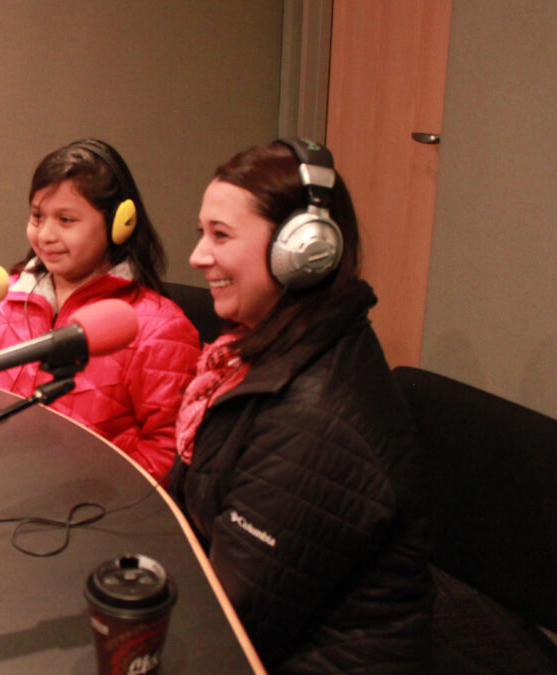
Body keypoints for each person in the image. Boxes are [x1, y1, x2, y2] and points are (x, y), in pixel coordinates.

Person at [165, 138, 432, 671]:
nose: (198, 256)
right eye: (202, 233)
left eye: (221, 235)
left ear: (305, 251)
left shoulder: (312, 416)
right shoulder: (253, 354)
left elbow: (230, 627)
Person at [0, 139, 201, 479]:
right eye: (37, 216)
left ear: (120, 225)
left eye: (66, 219)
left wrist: (101, 504)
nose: (45, 235)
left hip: (97, 514)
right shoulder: (2, 304)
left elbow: (169, 445)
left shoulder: (160, 328)